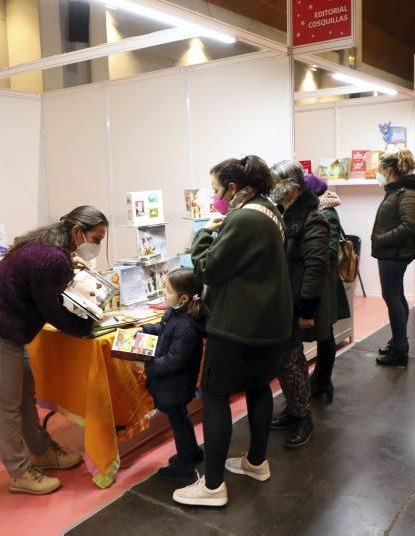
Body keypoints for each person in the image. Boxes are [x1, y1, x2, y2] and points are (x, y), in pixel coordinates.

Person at [174, 155, 293, 507]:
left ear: (233, 186)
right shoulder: (270, 211)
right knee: (258, 387)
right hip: (271, 323)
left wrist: (202, 235)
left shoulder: (243, 218)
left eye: (215, 189)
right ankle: (256, 462)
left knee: (214, 395)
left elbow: (208, 269)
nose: (214, 196)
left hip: (239, 324)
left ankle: (212, 486)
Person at [0, 206, 108, 495]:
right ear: (77, 232)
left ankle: (41, 450)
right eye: (96, 237)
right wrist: (88, 328)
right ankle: (19, 472)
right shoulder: (50, 258)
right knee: (8, 404)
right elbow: (54, 311)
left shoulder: (51, 246)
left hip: (6, 326)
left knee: (23, 394)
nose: (98, 245)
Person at [268, 161, 330, 447]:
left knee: (290, 360)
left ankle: (303, 417)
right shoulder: (285, 213)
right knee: (289, 359)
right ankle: (295, 410)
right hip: (285, 300)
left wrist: (306, 310)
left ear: (290, 186)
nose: (272, 189)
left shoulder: (311, 218)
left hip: (298, 301)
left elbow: (316, 267)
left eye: (275, 183)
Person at [139, 268, 208, 479]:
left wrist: (148, 367)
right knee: (180, 417)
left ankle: (184, 464)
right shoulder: (175, 313)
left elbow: (174, 360)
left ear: (183, 297)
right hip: (171, 383)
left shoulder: (186, 326)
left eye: (167, 291)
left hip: (175, 384)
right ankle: (192, 451)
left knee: (177, 421)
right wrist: (146, 329)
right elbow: (163, 328)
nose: (164, 295)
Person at [372, 148, 415, 366]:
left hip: (394, 254)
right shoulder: (399, 190)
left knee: (392, 297)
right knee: (396, 296)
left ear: (389, 169)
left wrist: (381, 239)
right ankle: (398, 342)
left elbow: (408, 226)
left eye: (380, 168)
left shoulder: (407, 192)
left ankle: (400, 350)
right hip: (392, 253)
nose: (378, 172)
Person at [304, 173, 351, 404]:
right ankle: (321, 381)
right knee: (325, 333)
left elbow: (331, 252)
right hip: (322, 281)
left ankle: (323, 382)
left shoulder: (326, 213)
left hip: (326, 283)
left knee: (325, 334)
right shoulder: (319, 211)